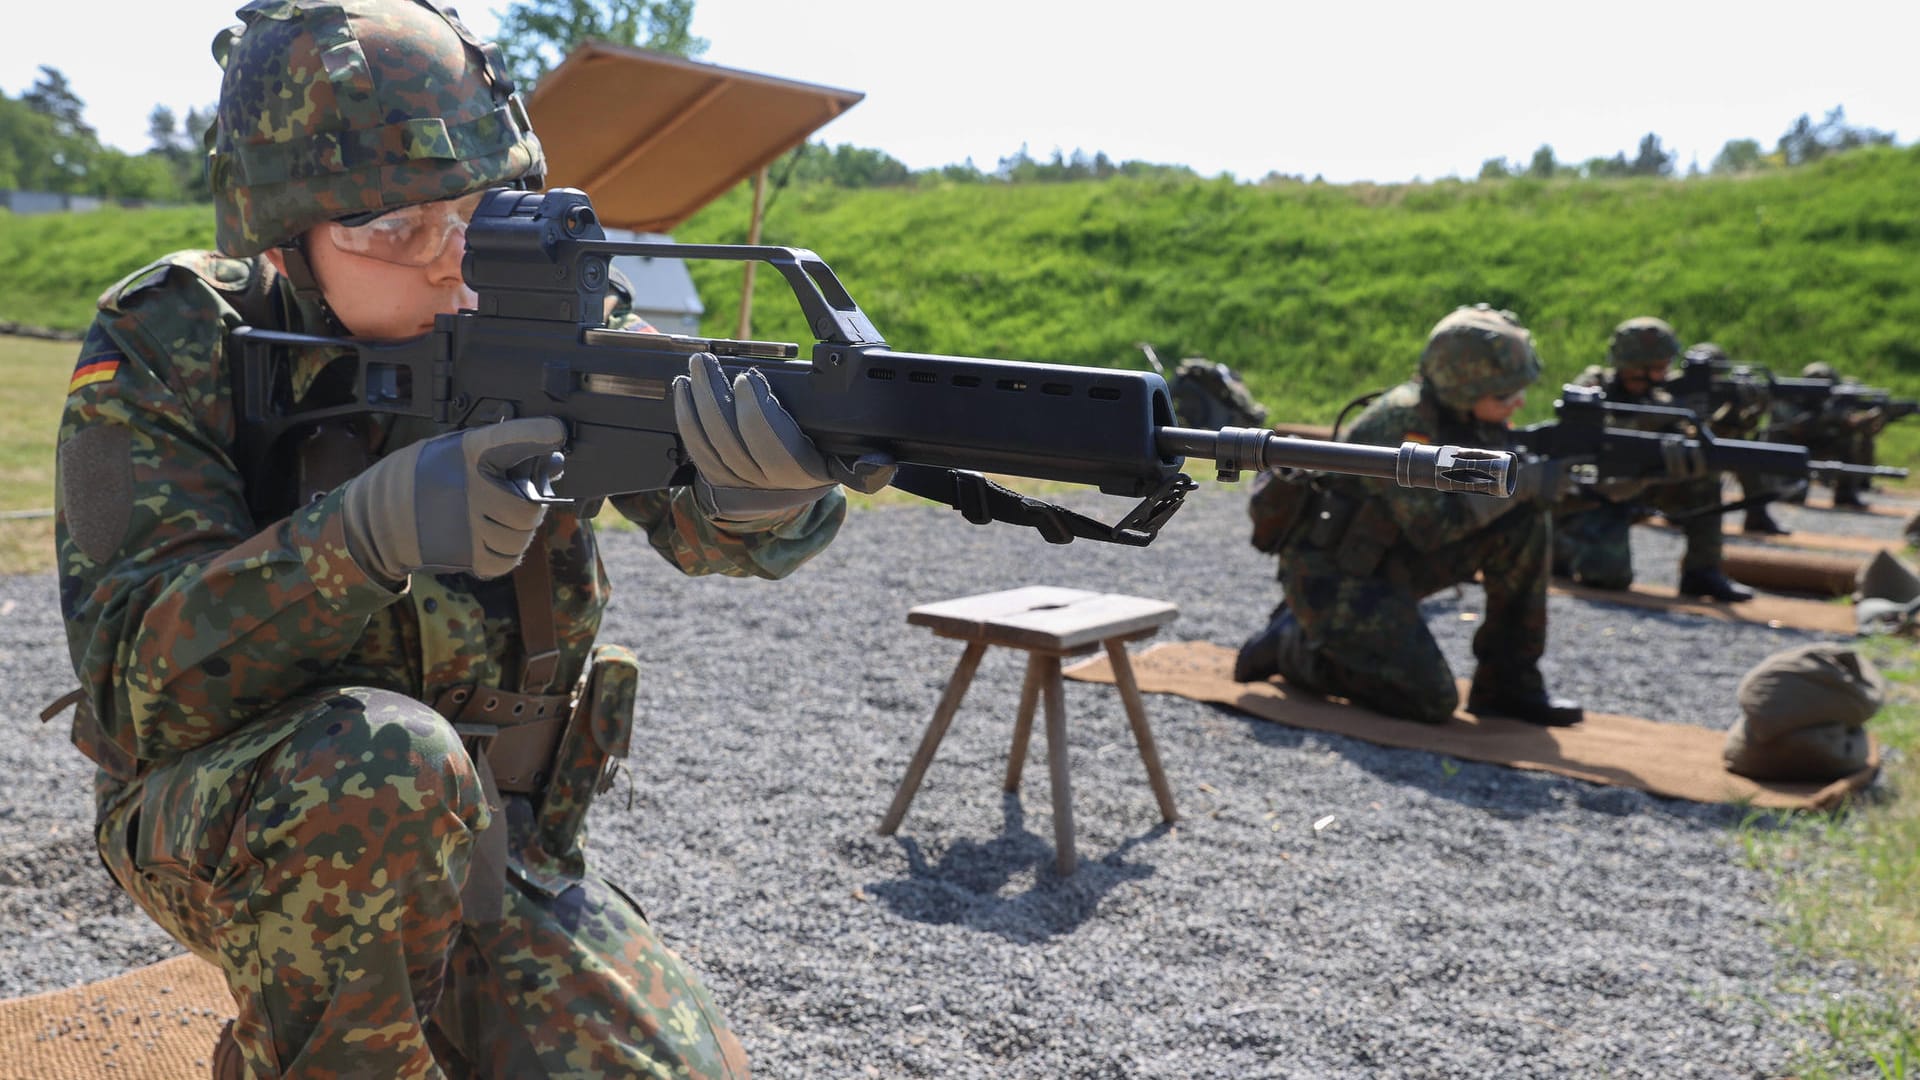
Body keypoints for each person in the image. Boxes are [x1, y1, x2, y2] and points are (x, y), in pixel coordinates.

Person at [50, 3, 887, 1076]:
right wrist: (359, 537)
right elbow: (131, 687)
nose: (451, 262)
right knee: (381, 763)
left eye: (482, 211)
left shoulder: (536, 299)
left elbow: (706, 525)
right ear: (283, 235)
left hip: (494, 843)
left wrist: (764, 494)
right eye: (393, 232)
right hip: (239, 822)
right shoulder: (170, 343)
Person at [1235, 304, 1583, 727]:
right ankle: (1294, 646)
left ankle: (1509, 684)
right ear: (1463, 387)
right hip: (1337, 576)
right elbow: (1433, 528)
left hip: (1390, 560)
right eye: (1504, 396)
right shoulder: (1401, 423)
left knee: (1525, 524)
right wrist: (1525, 483)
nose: (1519, 403)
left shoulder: (1457, 415)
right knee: (1430, 700)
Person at [1552, 317, 1754, 602]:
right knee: (1608, 578)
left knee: (1704, 477)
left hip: (1641, 487)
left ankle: (1702, 571)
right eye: (1658, 367)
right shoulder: (1592, 390)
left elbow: (1698, 441)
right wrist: (1647, 422)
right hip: (1593, 497)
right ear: (1634, 366)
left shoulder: (1663, 398)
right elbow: (1583, 446)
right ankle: (1558, 546)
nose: (1664, 373)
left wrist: (1734, 414)